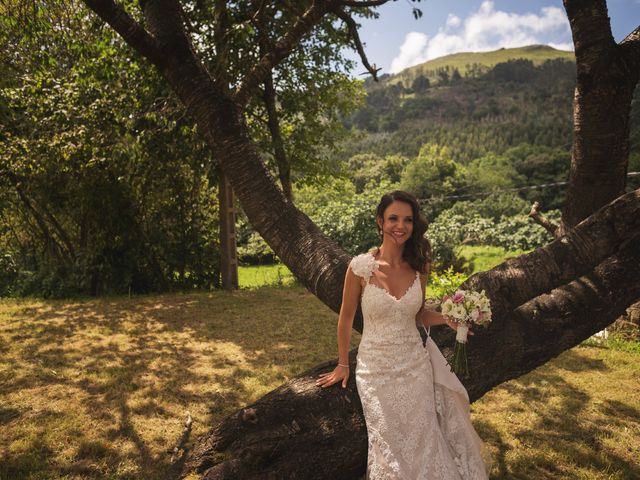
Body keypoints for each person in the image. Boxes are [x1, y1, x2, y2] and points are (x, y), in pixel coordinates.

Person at [316, 190, 489, 479]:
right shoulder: (360, 268)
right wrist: (343, 363)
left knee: (425, 437)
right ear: (380, 222)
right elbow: (346, 319)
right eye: (393, 218)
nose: (401, 225)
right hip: (376, 369)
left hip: (414, 365)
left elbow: (418, 314)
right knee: (387, 442)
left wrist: (449, 319)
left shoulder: (420, 267)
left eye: (407, 219)